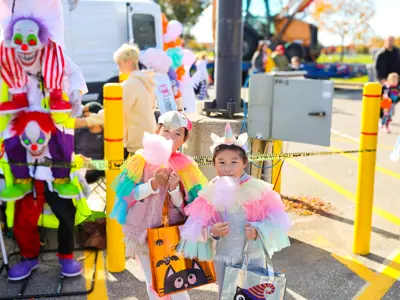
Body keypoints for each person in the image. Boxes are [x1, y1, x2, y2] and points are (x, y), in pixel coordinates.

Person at [178, 123, 292, 299]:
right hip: (225, 257)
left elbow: (277, 222)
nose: (227, 168)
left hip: (252, 256)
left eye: (234, 162)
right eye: (221, 162)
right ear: (214, 164)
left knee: (252, 294)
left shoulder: (256, 189)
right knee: (226, 294)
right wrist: (211, 231)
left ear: (244, 163)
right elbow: (195, 229)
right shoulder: (211, 191)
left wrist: (257, 230)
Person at [109, 111, 208, 300]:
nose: (170, 137)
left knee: (177, 285)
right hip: (143, 233)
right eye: (166, 131)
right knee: (152, 282)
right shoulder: (140, 160)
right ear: (157, 131)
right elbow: (129, 196)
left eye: (177, 134)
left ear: (184, 139)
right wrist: (153, 184)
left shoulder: (186, 167)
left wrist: (173, 190)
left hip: (172, 234)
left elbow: (189, 208)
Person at [113, 43, 157, 158]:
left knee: (137, 174)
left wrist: (88, 121)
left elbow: (115, 111)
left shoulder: (130, 84)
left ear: (128, 62)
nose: (118, 67)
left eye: (119, 63)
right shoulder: (145, 80)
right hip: (149, 134)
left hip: (137, 139)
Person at [75, 109, 105, 183]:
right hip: (76, 165)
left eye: (88, 116)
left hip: (94, 168)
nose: (85, 120)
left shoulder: (105, 136)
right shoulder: (79, 132)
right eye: (84, 117)